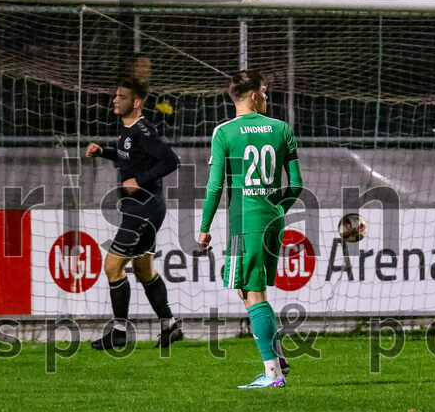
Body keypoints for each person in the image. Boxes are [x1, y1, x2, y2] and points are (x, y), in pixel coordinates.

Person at [198, 69, 303, 388]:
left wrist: (204, 227)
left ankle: (273, 374)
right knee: (249, 290)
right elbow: (296, 185)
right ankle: (278, 358)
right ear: (254, 95)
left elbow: (215, 186)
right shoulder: (281, 129)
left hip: (244, 223)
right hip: (272, 221)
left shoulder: (224, 132)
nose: (268, 97)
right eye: (266, 92)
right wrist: (275, 211)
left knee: (252, 293)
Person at [85, 76, 183, 350]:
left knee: (112, 266)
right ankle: (170, 325)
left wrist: (139, 182)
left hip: (143, 209)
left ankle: (118, 332)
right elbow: (132, 158)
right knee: (143, 269)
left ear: (136, 103)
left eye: (122, 97)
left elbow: (171, 160)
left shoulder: (143, 130)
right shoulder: (129, 132)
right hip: (144, 208)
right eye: (116, 96)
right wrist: (104, 152)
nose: (115, 100)